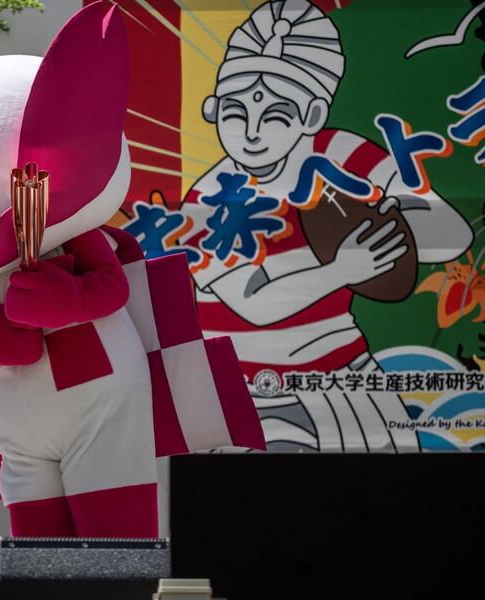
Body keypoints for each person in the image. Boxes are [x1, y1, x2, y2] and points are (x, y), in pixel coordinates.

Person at [182, 0, 472, 452]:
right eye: (236, 113)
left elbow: (451, 234)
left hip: (347, 377)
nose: (252, 132)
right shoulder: (211, 197)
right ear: (214, 109)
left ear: (313, 115)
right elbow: (254, 303)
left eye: (275, 116)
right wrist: (343, 268)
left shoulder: (341, 153)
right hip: (248, 389)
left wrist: (390, 230)